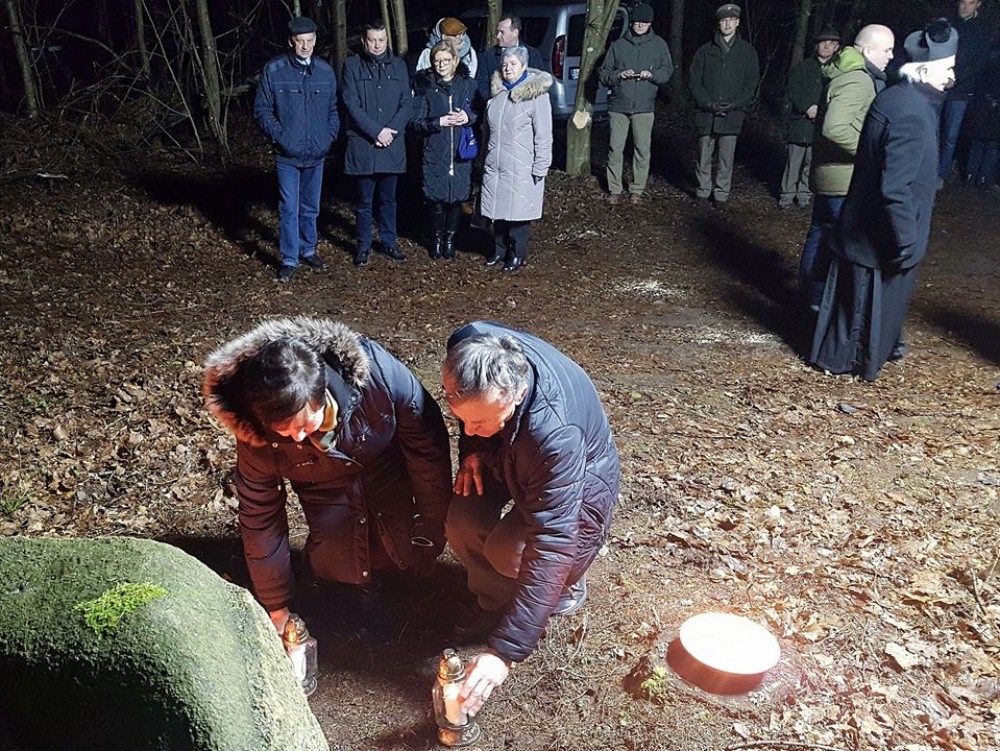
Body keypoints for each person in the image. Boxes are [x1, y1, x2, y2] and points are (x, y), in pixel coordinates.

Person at [202, 317, 453, 634]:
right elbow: (260, 515)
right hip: (322, 486)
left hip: (384, 467)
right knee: (336, 567)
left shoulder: (379, 377)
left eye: (305, 425)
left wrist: (433, 527)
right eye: (284, 430)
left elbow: (428, 452)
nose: (297, 437)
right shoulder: (256, 433)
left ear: (321, 393)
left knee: (407, 557)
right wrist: (276, 605)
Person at [440, 321, 620, 718]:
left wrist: (504, 653)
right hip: (508, 449)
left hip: (579, 480)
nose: (468, 429)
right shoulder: (469, 347)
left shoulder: (556, 434)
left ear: (518, 394)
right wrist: (474, 447)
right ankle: (494, 599)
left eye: (481, 421)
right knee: (462, 520)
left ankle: (568, 587)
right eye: (463, 419)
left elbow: (552, 540)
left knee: (511, 551)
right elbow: (475, 417)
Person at [810, 21, 957, 382]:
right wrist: (907, 238)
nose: (952, 76)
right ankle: (842, 362)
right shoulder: (912, 113)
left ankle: (865, 352)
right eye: (947, 68)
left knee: (862, 308)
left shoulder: (894, 96)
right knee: (861, 313)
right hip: (880, 236)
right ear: (925, 70)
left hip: (863, 230)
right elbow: (895, 187)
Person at [798, 24, 894, 312]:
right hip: (843, 178)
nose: (891, 56)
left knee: (820, 234)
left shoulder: (846, 73)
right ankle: (820, 302)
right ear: (868, 50)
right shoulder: (857, 80)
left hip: (830, 174)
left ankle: (811, 297)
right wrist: (868, 152)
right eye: (887, 50)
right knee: (840, 242)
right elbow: (835, 128)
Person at [253, 17, 339, 283]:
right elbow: (262, 110)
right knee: (289, 207)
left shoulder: (324, 71)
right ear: (291, 41)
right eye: (300, 41)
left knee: (311, 206)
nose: (305, 46)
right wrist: (281, 138)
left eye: (310, 41)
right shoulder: (275, 70)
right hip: (287, 155)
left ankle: (308, 249)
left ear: (315, 40)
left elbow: (333, 110)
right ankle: (289, 258)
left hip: (317, 152)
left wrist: (328, 137)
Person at [341, 19, 412, 267]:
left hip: (392, 144)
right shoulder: (352, 66)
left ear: (387, 40)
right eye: (372, 40)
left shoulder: (399, 66)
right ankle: (363, 245)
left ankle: (389, 242)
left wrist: (390, 131)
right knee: (363, 202)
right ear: (364, 41)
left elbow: (407, 103)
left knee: (389, 200)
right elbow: (351, 104)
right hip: (364, 145)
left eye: (381, 40)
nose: (377, 45)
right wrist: (376, 131)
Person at [480, 46, 553, 273]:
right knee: (498, 210)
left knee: (518, 214)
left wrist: (541, 166)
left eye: (513, 64)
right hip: (496, 164)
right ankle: (499, 250)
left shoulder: (537, 97)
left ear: (524, 67)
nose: (508, 68)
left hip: (522, 166)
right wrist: (483, 159)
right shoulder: (497, 96)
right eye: (505, 64)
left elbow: (544, 135)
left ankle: (517, 253)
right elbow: (486, 132)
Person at [598, 3, 674, 204]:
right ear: (632, 22)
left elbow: (667, 71)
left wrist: (652, 75)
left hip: (644, 107)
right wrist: (619, 75)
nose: (640, 25)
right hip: (619, 106)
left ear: (650, 23)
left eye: (644, 22)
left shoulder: (659, 45)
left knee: (642, 149)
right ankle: (614, 188)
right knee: (615, 148)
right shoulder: (618, 45)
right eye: (637, 21)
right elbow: (604, 73)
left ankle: (637, 190)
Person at [409, 41, 478, 260]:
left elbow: (480, 111)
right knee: (435, 199)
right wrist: (438, 122)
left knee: (456, 199)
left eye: (446, 60)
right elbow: (414, 122)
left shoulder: (467, 85)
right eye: (437, 61)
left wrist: (468, 117)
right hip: (435, 150)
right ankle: (436, 238)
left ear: (455, 61)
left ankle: (450, 239)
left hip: (460, 152)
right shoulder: (425, 86)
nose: (441, 65)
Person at [688, 3, 760, 208]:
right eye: (724, 20)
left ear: (737, 23)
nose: (728, 24)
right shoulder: (705, 50)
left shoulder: (747, 52)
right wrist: (707, 102)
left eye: (732, 20)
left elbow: (751, 83)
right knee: (704, 155)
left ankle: (721, 194)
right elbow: (694, 80)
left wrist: (736, 103)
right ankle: (703, 191)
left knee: (726, 158)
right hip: (706, 113)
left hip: (733, 113)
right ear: (718, 23)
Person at [778, 26, 841, 209]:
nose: (827, 46)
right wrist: (806, 107)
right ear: (816, 45)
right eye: (823, 42)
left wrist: (823, 111)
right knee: (794, 161)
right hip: (800, 122)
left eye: (831, 43)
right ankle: (787, 195)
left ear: (836, 47)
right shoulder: (803, 67)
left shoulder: (838, 71)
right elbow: (792, 89)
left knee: (812, 163)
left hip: (822, 125)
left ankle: (804, 194)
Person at [938, 0, 993, 187]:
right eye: (962, 2)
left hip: (961, 90)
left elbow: (979, 62)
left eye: (970, 3)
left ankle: (940, 174)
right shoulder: (948, 23)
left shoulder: (982, 30)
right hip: (938, 84)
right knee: (932, 129)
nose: (964, 6)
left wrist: (956, 78)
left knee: (950, 136)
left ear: (978, 5)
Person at [475, 15, 543, 104]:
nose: (498, 36)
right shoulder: (488, 55)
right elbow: (481, 83)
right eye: (497, 32)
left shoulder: (533, 54)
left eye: (502, 32)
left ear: (515, 33)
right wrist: (493, 102)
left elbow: (539, 82)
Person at [963, 44, 1000, 189]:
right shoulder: (987, 68)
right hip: (988, 113)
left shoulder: (986, 67)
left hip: (983, 111)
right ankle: (982, 177)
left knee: (980, 145)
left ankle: (972, 175)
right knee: (989, 146)